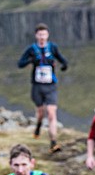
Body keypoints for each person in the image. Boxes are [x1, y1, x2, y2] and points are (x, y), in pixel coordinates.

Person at [17, 23, 68, 153]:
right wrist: (30, 61)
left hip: (50, 85)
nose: (42, 37)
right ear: (36, 35)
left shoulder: (52, 47)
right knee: (40, 113)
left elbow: (62, 59)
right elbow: (20, 64)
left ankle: (53, 142)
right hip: (37, 86)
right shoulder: (32, 49)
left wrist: (64, 65)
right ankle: (38, 127)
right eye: (40, 34)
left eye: (44, 34)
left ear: (47, 35)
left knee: (51, 113)